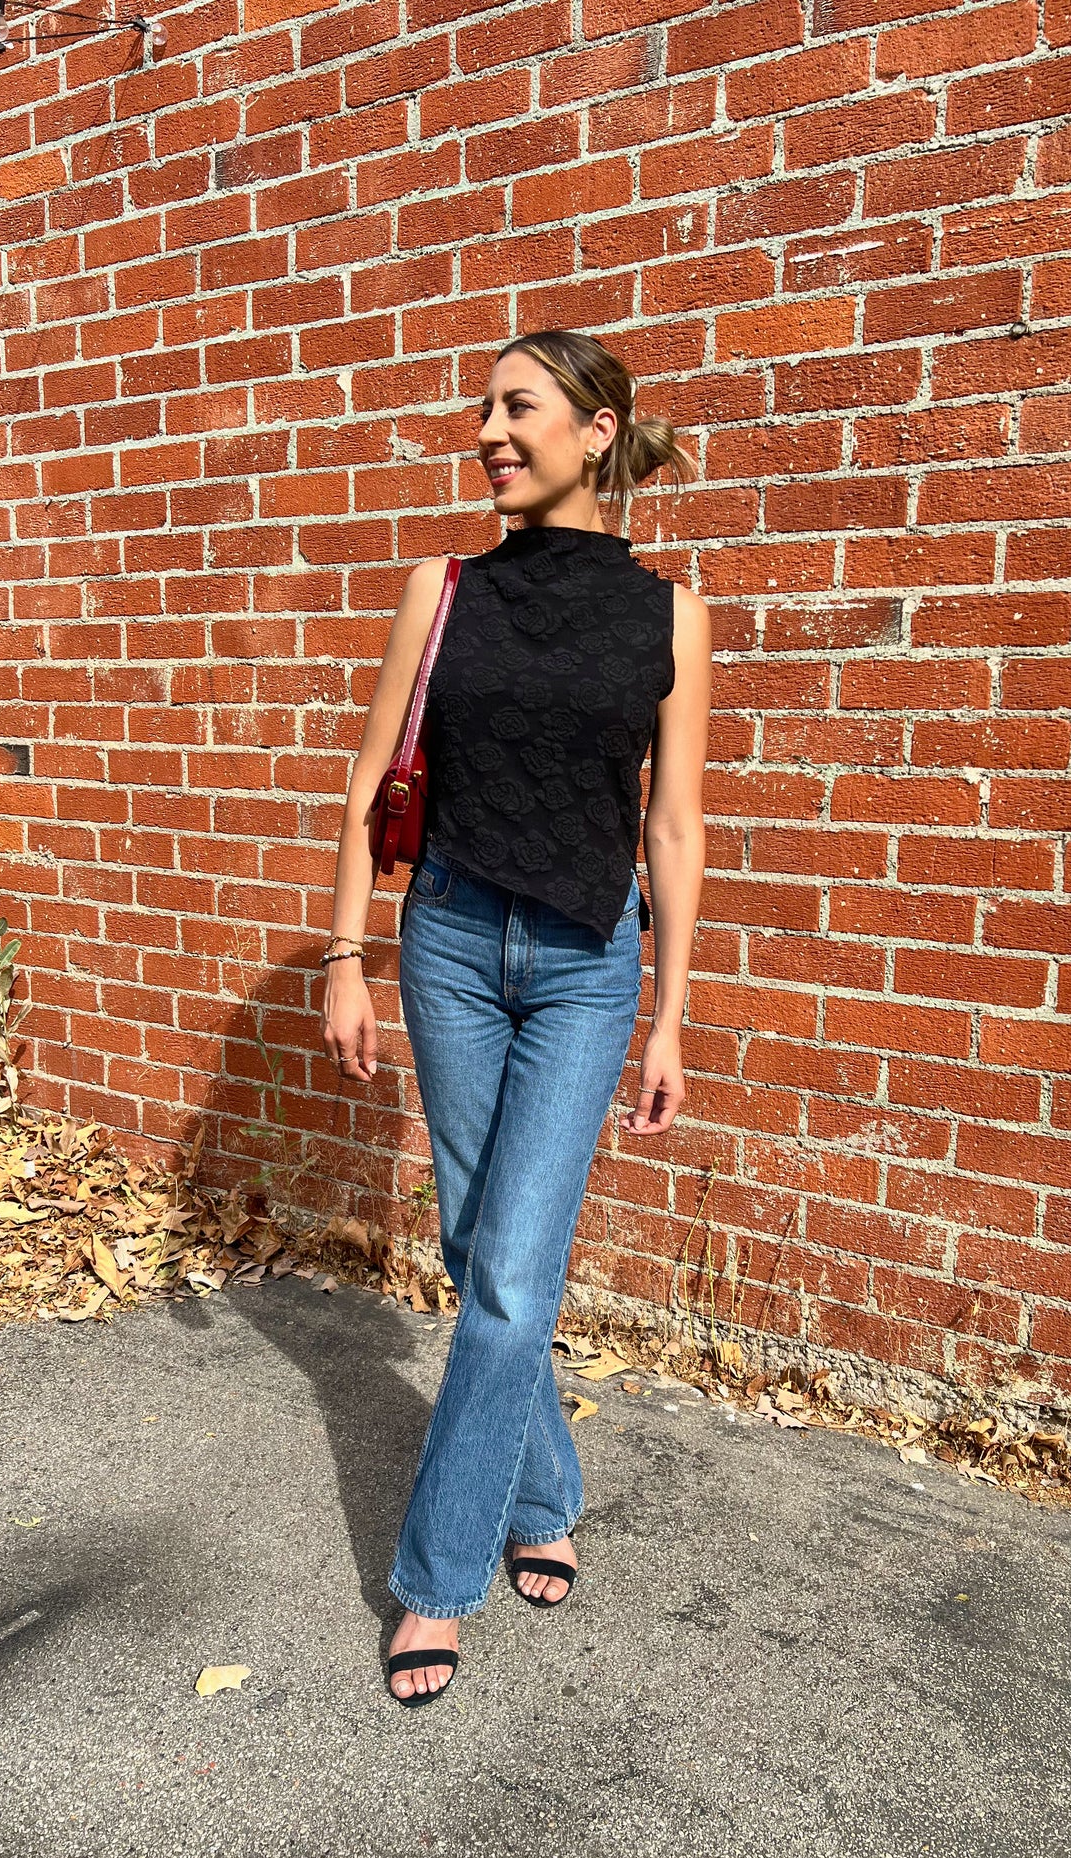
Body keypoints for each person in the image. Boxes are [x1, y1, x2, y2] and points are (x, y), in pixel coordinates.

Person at [319, 329, 712, 1707]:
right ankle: (542, 1489)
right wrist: (346, 955)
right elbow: (366, 783)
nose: (487, 429)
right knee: (481, 1248)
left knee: (506, 1273)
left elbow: (671, 822)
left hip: (585, 965)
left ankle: (435, 1577)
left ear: (597, 431)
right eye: (483, 410)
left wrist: (668, 1015)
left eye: (517, 407)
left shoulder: (668, 613)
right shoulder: (438, 592)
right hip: (444, 943)